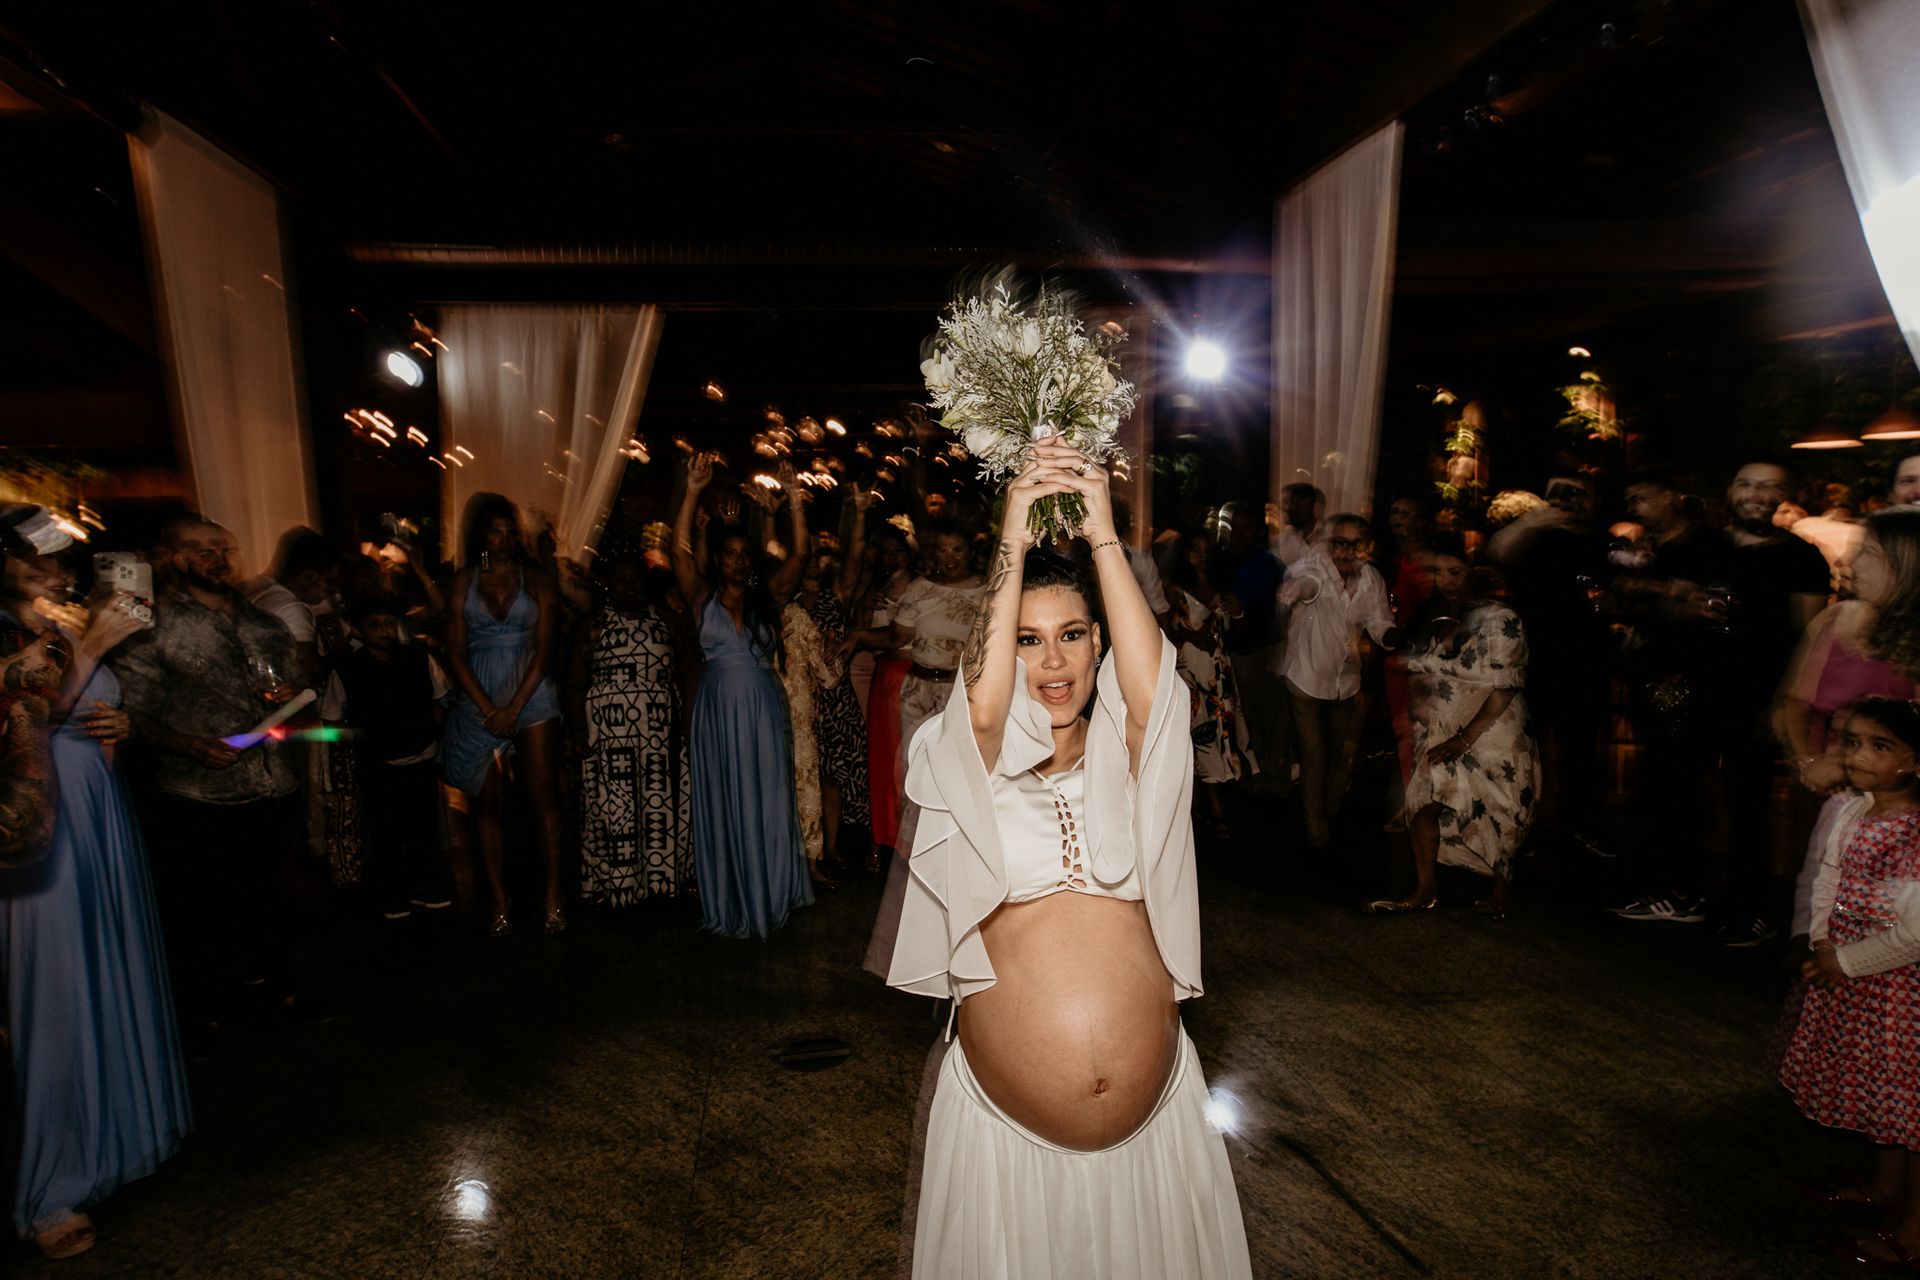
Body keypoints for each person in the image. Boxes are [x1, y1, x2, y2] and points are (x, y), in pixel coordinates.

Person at [889, 440, 1249, 1278]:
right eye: (1027, 639)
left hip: (1156, 1133)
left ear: (1098, 646)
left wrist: (1102, 535)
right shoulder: (963, 761)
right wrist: (1013, 534)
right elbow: (982, 713)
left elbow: (1156, 692)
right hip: (1008, 1147)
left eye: (1073, 635)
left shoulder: (1135, 761)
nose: (1052, 662)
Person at [0, 510, 192, 1260]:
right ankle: (49, 1188)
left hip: (99, 816)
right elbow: (23, 718)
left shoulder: (51, 623)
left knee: (108, 972)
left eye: (58, 557)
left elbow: (83, 707)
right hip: (37, 833)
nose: (53, 570)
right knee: (51, 993)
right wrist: (94, 645)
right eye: (34, 556)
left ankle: (119, 1138)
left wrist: (121, 723)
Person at [112, 516, 320, 1033]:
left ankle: (284, 992)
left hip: (272, 786)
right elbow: (131, 715)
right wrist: (189, 744)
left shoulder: (265, 625)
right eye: (203, 550)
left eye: (225, 549)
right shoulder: (153, 629)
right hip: (200, 795)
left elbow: (295, 698)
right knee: (204, 913)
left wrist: (292, 702)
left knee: (276, 901)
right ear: (176, 558)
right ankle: (207, 1013)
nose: (219, 559)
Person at [1778, 698, 1920, 1269]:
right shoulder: (1853, 809)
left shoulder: (1916, 831)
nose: (1859, 755)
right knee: (1883, 1095)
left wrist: (1847, 962)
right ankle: (1885, 1186)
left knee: (1912, 1110)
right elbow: (1827, 878)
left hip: (1902, 992)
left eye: (1880, 746)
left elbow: (1916, 933)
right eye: (1853, 742)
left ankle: (1915, 1233)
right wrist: (1820, 941)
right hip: (1855, 976)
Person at [672, 455, 813, 939]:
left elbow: (800, 556)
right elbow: (678, 554)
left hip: (761, 710)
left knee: (768, 797)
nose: (737, 560)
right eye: (729, 553)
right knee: (725, 798)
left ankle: (770, 891)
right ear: (719, 558)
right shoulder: (700, 598)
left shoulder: (767, 598)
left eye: (743, 554)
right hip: (716, 711)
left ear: (751, 560)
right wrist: (692, 491)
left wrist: (793, 497)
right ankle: (733, 895)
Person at [1368, 534, 1539, 919]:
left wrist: (1465, 739)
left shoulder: (1501, 619)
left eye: (1454, 572)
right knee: (1423, 803)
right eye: (1438, 572)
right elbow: (1416, 668)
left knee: (1499, 811)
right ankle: (1425, 889)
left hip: (1493, 732)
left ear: (1473, 572)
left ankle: (1500, 895)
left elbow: (1505, 687)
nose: (1445, 580)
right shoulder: (1434, 615)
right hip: (1444, 726)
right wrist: (1416, 713)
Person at [439, 494, 567, 937]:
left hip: (531, 690)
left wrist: (513, 707)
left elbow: (546, 649)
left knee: (542, 793)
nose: (505, 539)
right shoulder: (463, 583)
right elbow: (454, 652)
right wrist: (488, 708)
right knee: (488, 800)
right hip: (480, 693)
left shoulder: (537, 580)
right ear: (481, 536)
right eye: (496, 531)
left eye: (510, 531)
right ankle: (498, 902)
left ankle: (553, 895)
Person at [564, 545, 691, 907]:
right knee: (615, 808)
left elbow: (684, 669)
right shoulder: (591, 625)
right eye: (620, 579)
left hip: (657, 732)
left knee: (657, 805)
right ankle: (617, 888)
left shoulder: (664, 619)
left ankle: (659, 885)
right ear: (607, 583)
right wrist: (579, 732)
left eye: (635, 579)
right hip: (609, 732)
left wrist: (685, 723)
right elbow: (574, 684)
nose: (629, 586)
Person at [321, 593, 453, 921]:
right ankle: (393, 893)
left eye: (389, 623)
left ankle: (425, 886)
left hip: (421, 757)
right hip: (379, 764)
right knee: (385, 831)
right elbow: (332, 719)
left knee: (423, 827)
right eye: (375, 624)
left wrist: (428, 730)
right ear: (359, 630)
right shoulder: (348, 670)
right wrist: (364, 742)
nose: (384, 630)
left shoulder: (418, 658)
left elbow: (442, 697)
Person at [1279, 515, 1400, 848]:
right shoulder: (1312, 568)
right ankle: (1314, 824)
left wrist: (1393, 636)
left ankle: (1330, 809)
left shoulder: (1371, 578)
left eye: (1354, 544)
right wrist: (1294, 592)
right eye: (1339, 543)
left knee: (1343, 754)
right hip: (1305, 676)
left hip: (1346, 679)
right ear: (1329, 544)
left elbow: (1379, 620)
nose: (1345, 552)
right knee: (1315, 756)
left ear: (1366, 547)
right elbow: (1307, 586)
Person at [1161, 531, 1256, 840]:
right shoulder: (1173, 590)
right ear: (1184, 554)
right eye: (1195, 551)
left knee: (1220, 732)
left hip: (1218, 668)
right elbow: (1161, 632)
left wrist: (1236, 610)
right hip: (1190, 670)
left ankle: (1204, 808)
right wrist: (1189, 636)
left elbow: (1237, 630)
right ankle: (1213, 812)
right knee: (1197, 736)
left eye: (1206, 551)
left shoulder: (1219, 589)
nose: (1201, 557)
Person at [798, 482, 875, 865]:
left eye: (819, 556)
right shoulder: (786, 601)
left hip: (837, 701)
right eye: (807, 556)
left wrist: (859, 513)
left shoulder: (836, 596)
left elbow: (856, 558)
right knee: (809, 776)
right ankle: (809, 849)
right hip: (803, 700)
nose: (814, 562)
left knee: (839, 776)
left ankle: (834, 847)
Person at [781, 593, 845, 883]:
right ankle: (809, 866)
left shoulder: (742, 608)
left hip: (754, 711)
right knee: (805, 787)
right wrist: (832, 647)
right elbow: (828, 676)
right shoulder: (796, 615)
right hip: (797, 716)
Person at [862, 526, 915, 866]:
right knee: (881, 759)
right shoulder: (874, 590)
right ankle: (880, 838)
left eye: (897, 551)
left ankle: (909, 841)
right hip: (882, 677)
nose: (891, 557)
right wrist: (863, 610)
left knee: (906, 759)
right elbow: (860, 631)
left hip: (910, 676)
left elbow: (903, 636)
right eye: (886, 552)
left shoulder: (920, 589)